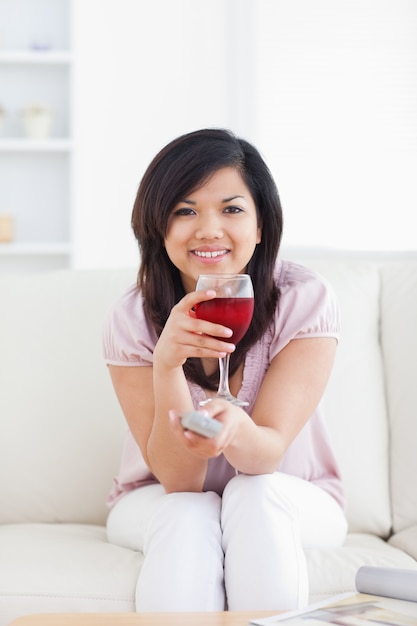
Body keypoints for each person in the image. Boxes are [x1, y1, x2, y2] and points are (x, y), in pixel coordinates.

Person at [102, 128, 348, 612]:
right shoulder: (131, 319)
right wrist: (167, 363)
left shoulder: (305, 299)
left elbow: (265, 455)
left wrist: (236, 432)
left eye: (232, 209)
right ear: (159, 227)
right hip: (158, 496)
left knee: (253, 496)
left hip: (289, 491)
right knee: (186, 513)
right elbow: (177, 480)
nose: (209, 229)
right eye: (185, 210)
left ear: (261, 226)